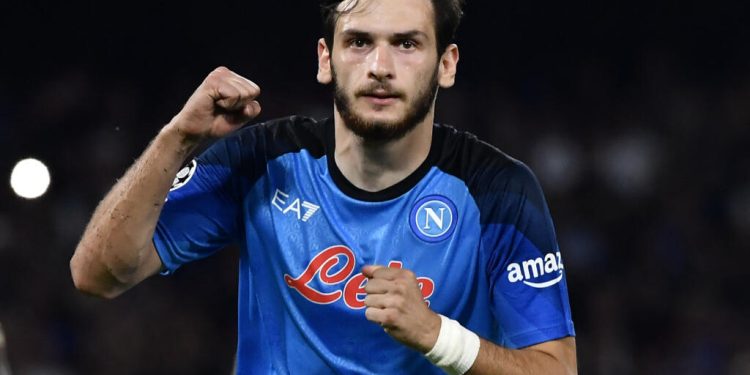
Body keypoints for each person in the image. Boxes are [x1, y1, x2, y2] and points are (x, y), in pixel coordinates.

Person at [70, 0, 577, 373]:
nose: (380, 68)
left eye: (406, 43)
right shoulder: (262, 161)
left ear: (446, 64)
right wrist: (176, 139)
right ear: (325, 59)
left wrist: (437, 335)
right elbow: (99, 274)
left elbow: (556, 368)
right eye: (359, 42)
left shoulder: (498, 191)